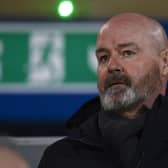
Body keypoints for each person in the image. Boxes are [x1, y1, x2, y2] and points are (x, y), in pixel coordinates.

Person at [38, 13, 168, 168]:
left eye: (127, 53)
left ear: (164, 63)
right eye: (103, 58)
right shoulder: (61, 157)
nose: (112, 66)